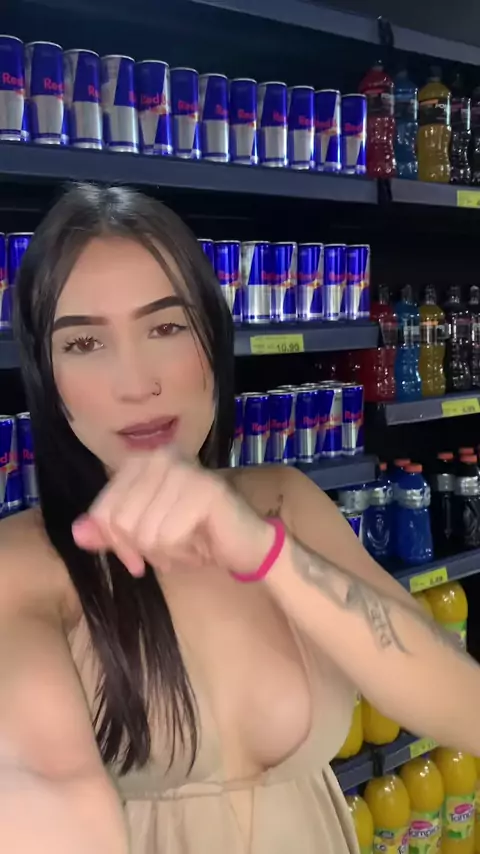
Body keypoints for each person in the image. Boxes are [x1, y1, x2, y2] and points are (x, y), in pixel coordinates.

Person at [2, 182, 479, 854]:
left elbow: (462, 701)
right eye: (83, 343)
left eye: (166, 327)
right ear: (48, 377)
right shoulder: (23, 562)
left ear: (213, 335)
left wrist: (268, 554)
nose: (136, 383)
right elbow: (43, 781)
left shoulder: (282, 499)